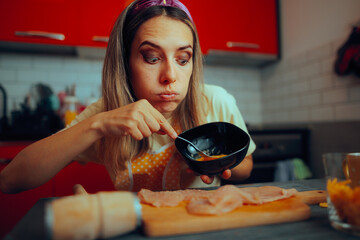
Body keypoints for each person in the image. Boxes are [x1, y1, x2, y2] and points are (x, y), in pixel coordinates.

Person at [0, 0, 256, 194]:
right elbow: (9, 180)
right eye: (152, 58)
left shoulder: (215, 101)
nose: (170, 75)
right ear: (124, 63)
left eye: (183, 59)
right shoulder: (107, 114)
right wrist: (97, 125)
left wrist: (219, 164)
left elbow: (246, 166)